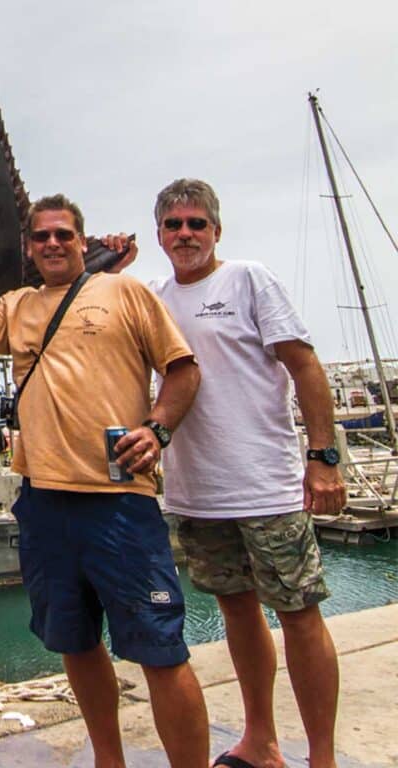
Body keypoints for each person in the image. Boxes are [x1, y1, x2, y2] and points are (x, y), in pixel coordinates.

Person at [0, 194, 209, 767]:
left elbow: (182, 370)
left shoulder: (125, 292)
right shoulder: (17, 306)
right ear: (29, 248)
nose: (53, 244)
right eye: (41, 236)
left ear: (83, 242)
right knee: (75, 643)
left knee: (161, 650)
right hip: (44, 504)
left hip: (120, 503)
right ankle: (108, 760)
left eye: (64, 234)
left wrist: (158, 430)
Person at [144, 178, 345, 768]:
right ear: (159, 235)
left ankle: (323, 757)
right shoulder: (154, 297)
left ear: (216, 230)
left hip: (267, 488)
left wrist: (322, 457)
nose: (185, 234)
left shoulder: (248, 279)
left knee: (299, 615)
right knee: (237, 611)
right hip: (198, 493)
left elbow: (305, 366)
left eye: (196, 223)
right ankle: (261, 742)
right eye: (174, 225)